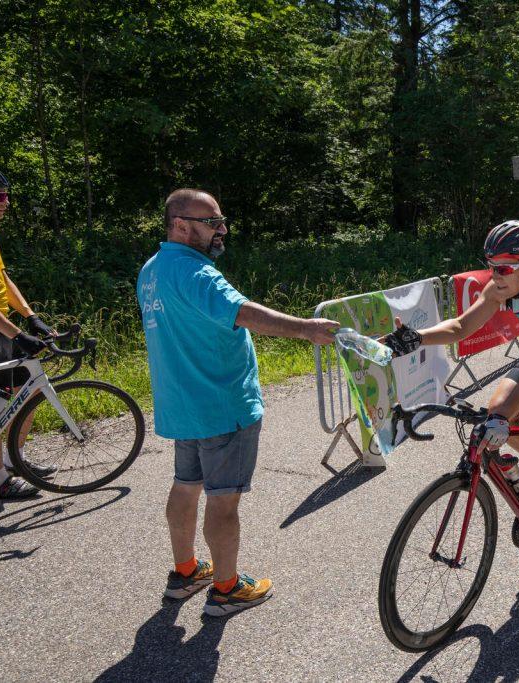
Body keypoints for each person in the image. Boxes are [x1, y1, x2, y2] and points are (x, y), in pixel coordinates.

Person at [137, 188, 339, 616]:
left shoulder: (152, 270)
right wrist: (307, 329)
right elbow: (243, 313)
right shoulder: (198, 274)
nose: (221, 229)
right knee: (223, 499)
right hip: (222, 403)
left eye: (221, 220)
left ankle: (187, 570)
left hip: (183, 405)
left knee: (186, 486)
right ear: (179, 224)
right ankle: (226, 589)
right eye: (211, 222)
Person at [382, 220, 519, 571]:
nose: (495, 275)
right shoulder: (502, 288)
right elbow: (461, 327)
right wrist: (416, 338)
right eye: (491, 267)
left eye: (503, 268)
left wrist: (502, 421)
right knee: (496, 410)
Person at [0, 165, 58, 500]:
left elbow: (3, 280)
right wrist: (17, 335)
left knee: (29, 388)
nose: (6, 202)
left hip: (2, 324)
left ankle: (11, 459)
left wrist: (31, 317)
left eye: (7, 196)